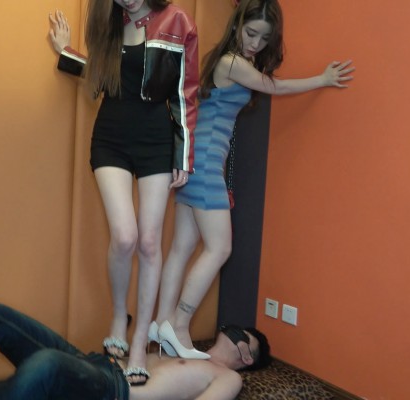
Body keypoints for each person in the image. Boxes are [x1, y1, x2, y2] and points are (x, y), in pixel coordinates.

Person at [152, 0, 355, 357]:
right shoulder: (231, 63)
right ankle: (179, 325)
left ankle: (162, 323)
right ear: (237, 24)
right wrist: (322, 79)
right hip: (205, 164)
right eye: (251, 33)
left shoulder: (222, 60)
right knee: (220, 248)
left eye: (264, 38)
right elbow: (274, 87)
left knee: (182, 248)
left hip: (195, 162)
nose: (256, 44)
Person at [47, 0, 199, 383]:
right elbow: (101, 77)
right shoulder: (108, 21)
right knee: (125, 236)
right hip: (111, 135)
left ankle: (139, 342)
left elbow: (186, 92)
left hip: (156, 139)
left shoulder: (177, 20)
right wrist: (65, 52)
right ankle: (119, 315)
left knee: (149, 243)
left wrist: (184, 153)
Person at [0, 302, 271, 400]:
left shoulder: (227, 376)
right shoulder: (184, 345)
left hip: (113, 391)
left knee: (43, 366)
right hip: (92, 364)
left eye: (239, 335)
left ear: (247, 356)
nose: (227, 331)